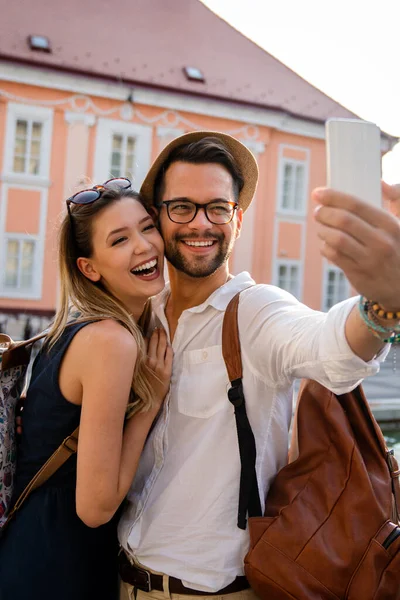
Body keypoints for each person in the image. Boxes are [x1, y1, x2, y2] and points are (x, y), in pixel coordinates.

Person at [118, 131, 400, 600]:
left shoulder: (256, 311)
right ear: (159, 219)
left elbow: (330, 349)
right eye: (182, 207)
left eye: (217, 208)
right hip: (122, 577)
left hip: (215, 594)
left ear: (238, 219)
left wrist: (384, 304)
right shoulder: (140, 316)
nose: (200, 223)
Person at [0, 179, 172, 600]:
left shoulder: (77, 327)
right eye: (119, 240)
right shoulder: (111, 341)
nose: (144, 246)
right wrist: (152, 398)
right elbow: (94, 509)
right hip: (57, 564)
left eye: (147, 227)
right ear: (89, 268)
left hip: (32, 548)